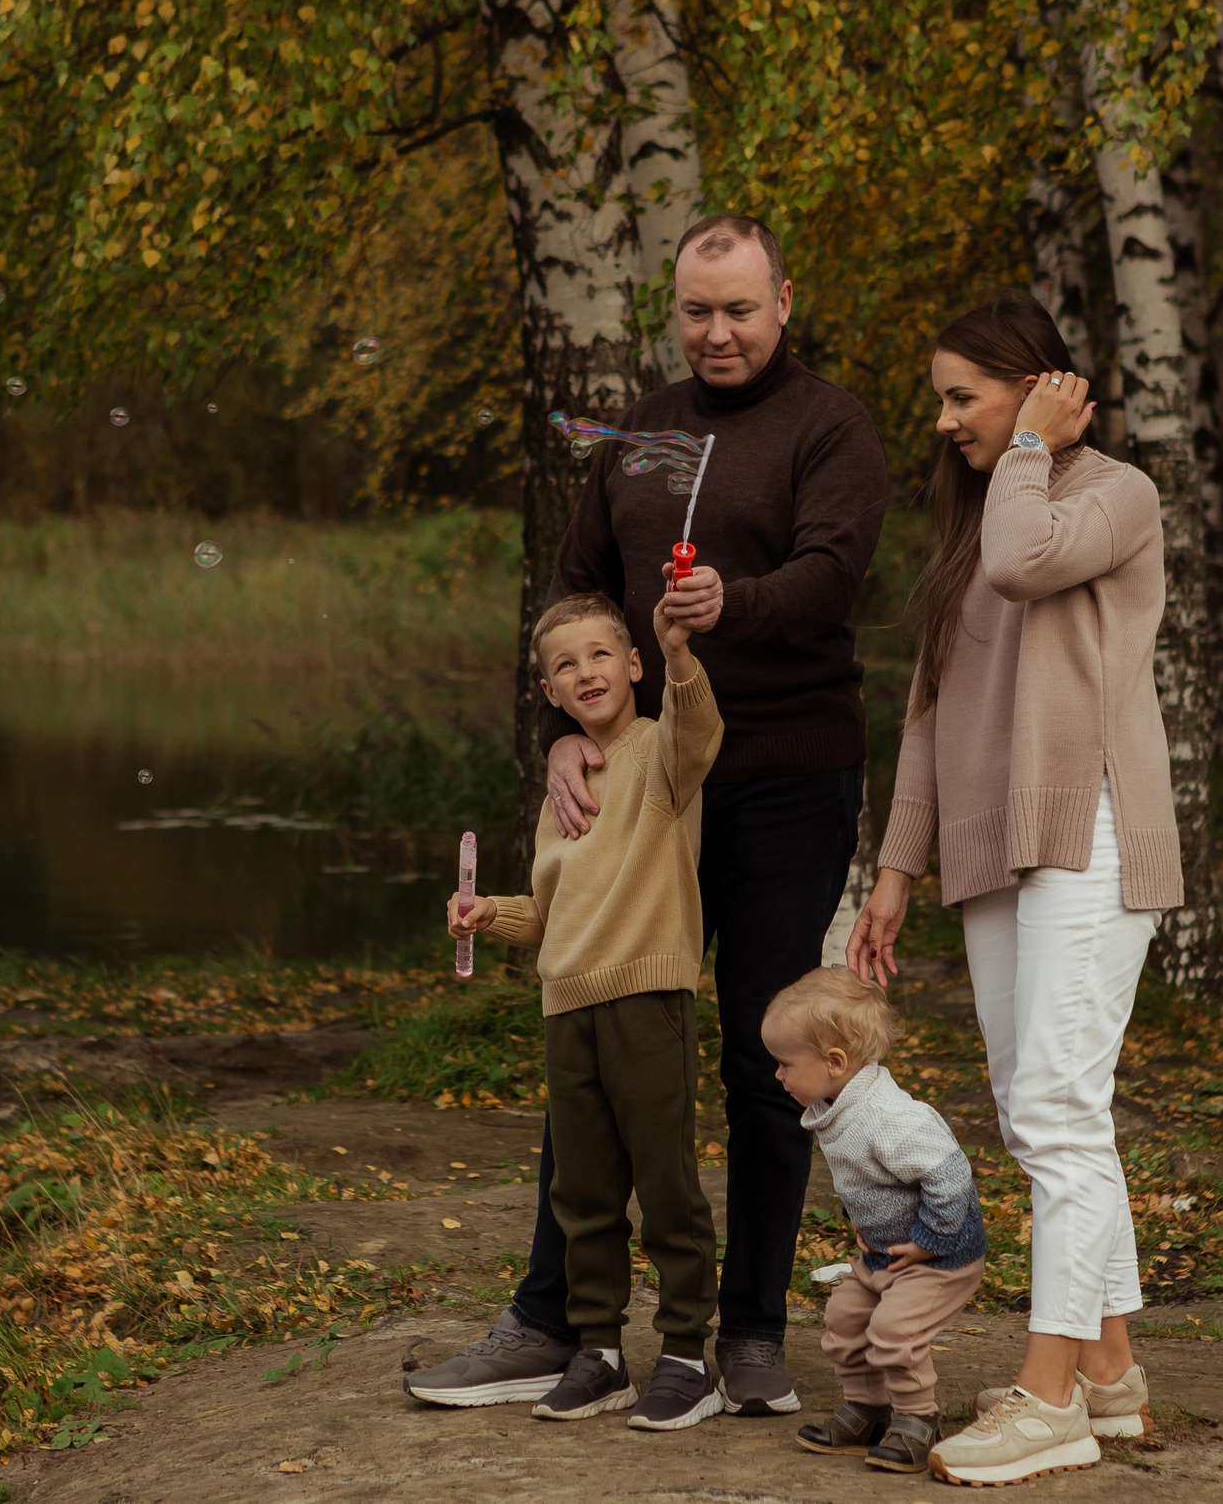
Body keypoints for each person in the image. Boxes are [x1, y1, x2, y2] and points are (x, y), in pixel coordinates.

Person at [406, 212, 890, 1417]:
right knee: (597, 1031)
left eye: (737, 308)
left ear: (785, 299)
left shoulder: (829, 424)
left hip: (782, 777)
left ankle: (750, 1333)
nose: (716, 332)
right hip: (637, 793)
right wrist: (566, 732)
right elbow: (575, 590)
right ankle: (548, 1318)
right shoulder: (640, 436)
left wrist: (734, 601)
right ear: (670, 311)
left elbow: (835, 578)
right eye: (694, 311)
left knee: (761, 1059)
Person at [847, 291, 1181, 1488]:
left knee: (1053, 1107)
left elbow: (1026, 562)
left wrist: (1033, 443)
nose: (942, 420)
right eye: (938, 398)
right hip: (990, 849)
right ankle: (1111, 1374)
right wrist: (894, 872)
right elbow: (927, 718)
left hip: (1090, 828)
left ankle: (1047, 1402)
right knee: (1041, 1107)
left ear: (1037, 388)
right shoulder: (975, 525)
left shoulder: (1108, 494)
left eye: (962, 396)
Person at [439, 589, 727, 1430]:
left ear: (632, 663)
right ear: (551, 695)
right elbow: (549, 909)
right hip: (567, 1007)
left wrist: (679, 652)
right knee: (584, 1192)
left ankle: (685, 1354)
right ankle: (599, 1353)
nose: (586, 671)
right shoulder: (562, 789)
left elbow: (700, 727)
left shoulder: (664, 757)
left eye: (601, 654)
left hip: (646, 998)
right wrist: (491, 913)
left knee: (667, 1184)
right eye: (565, 665)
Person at [770, 967, 986, 1475]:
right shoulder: (838, 1104)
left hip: (939, 1258)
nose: (777, 1075)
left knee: (893, 1332)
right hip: (883, 1253)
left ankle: (918, 1419)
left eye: (783, 1064)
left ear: (835, 1061)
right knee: (845, 1320)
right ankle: (868, 1409)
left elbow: (950, 1176)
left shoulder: (890, 1118)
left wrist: (930, 1240)